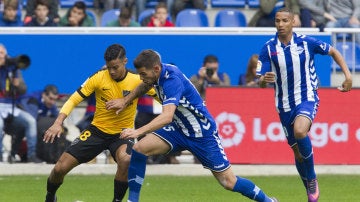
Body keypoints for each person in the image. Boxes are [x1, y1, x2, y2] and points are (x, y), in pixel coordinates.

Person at [106, 49, 278, 202]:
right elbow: (144, 86)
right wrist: (125, 100)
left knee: (228, 182)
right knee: (139, 149)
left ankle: (268, 201)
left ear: (156, 69)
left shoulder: (172, 80)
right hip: (179, 129)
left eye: (143, 74)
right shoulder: (156, 74)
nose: (142, 78)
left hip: (201, 133)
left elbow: (166, 117)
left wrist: (137, 132)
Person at [256, 8, 352, 202]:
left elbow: (333, 51)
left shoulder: (306, 42)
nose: (280, 24)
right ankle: (309, 188)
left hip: (307, 97)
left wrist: (348, 76)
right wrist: (264, 80)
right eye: (277, 21)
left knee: (301, 132)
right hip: (283, 105)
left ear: (293, 22)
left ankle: (312, 178)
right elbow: (259, 81)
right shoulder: (267, 48)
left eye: (284, 21)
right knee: (298, 154)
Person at [42, 44, 157, 202]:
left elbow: (163, 99)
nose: (112, 72)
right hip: (96, 131)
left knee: (126, 160)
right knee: (60, 168)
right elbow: (74, 99)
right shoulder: (99, 76)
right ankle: (50, 196)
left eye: (115, 67)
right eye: (109, 67)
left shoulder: (137, 80)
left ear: (125, 61)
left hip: (122, 134)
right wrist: (58, 122)